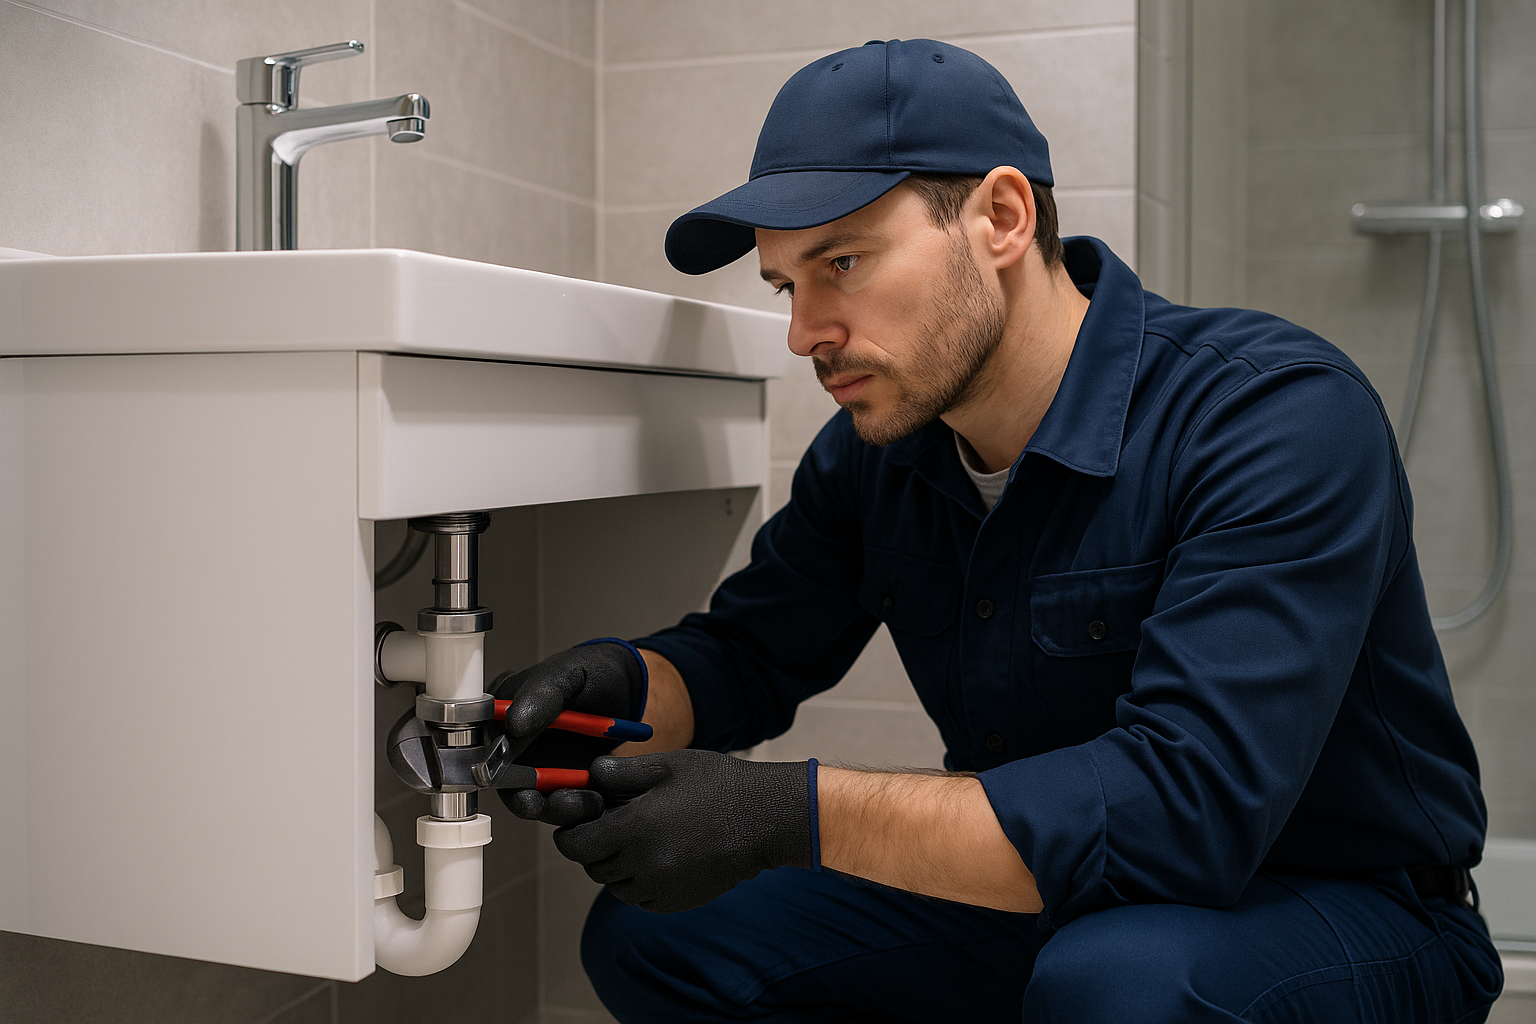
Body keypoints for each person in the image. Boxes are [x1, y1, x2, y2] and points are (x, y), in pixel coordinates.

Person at [491, 39, 1504, 1023]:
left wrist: (779, 816)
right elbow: (749, 656)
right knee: (656, 940)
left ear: (1003, 218)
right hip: (1058, 898)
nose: (804, 332)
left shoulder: (1271, 416)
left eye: (842, 260)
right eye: (789, 284)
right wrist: (618, 691)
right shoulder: (882, 448)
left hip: (1343, 906)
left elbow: (1185, 809)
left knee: (1122, 982)